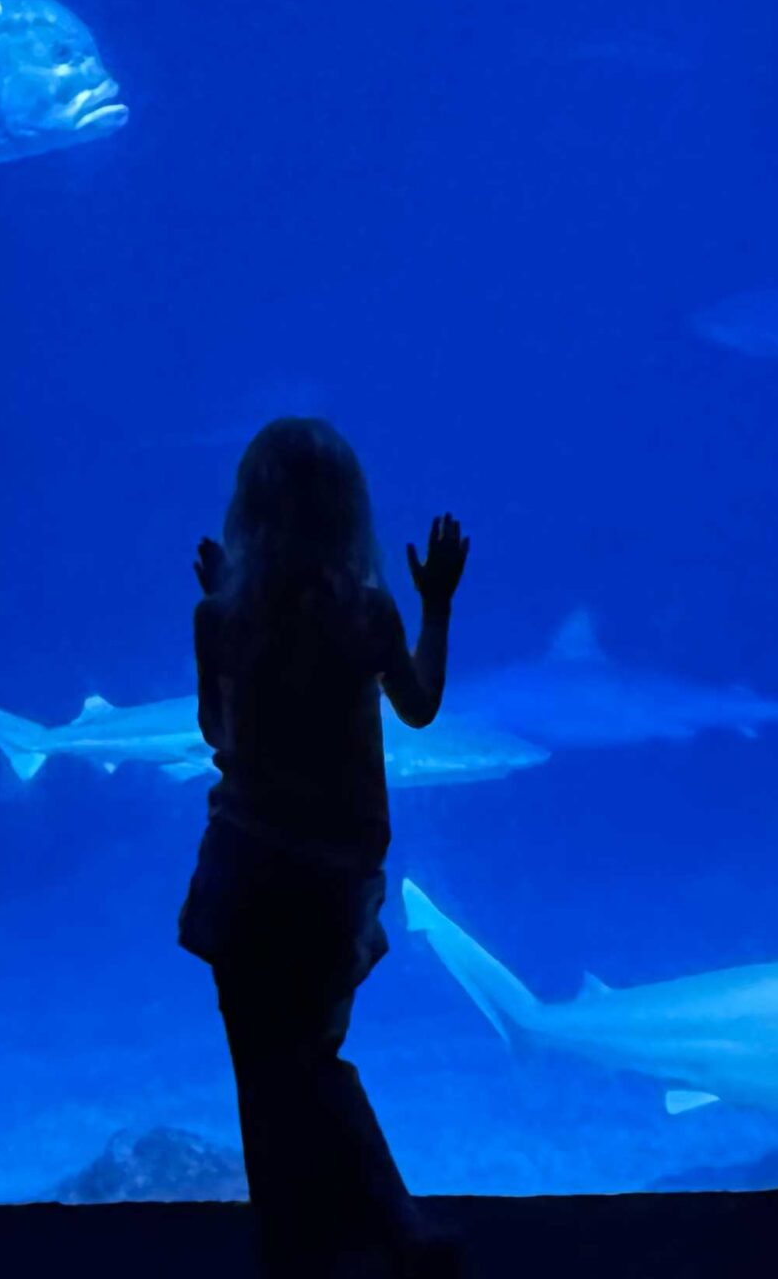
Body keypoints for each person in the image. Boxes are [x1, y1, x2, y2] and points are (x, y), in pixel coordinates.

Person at [180, 417, 468, 1278]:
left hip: (244, 873)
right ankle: (393, 1224)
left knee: (264, 1075)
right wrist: (438, 604)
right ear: (350, 512)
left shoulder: (215, 616)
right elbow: (418, 707)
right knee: (311, 1059)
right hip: (332, 879)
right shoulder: (368, 613)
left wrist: (226, 606)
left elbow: (212, 729)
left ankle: (294, 1244)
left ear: (245, 510)